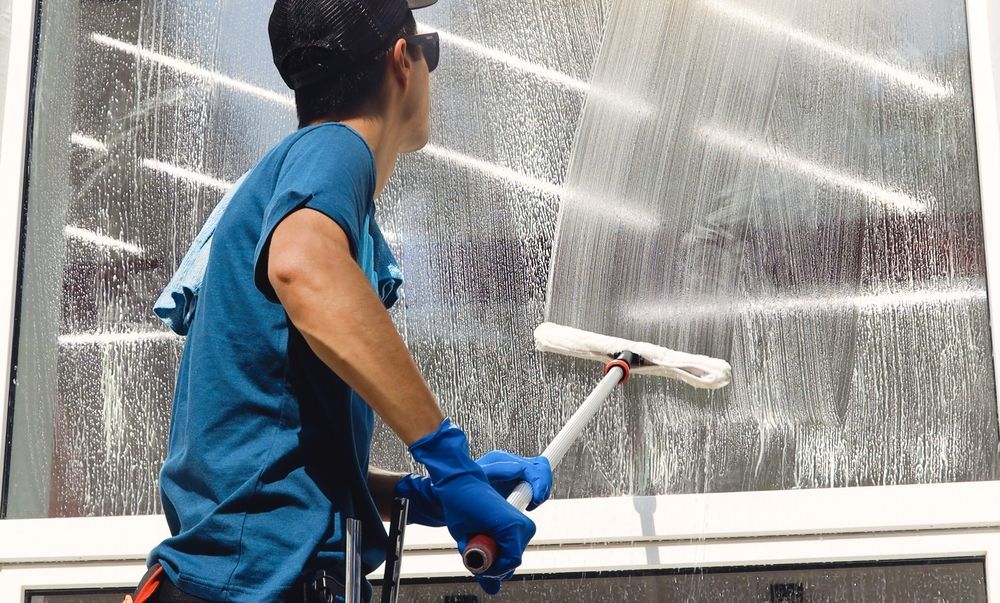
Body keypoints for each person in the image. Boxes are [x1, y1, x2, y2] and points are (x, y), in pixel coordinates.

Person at [126, 0, 553, 601]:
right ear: (402, 60)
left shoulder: (292, 178)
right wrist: (447, 458)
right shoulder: (333, 149)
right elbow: (302, 267)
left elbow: (271, 457)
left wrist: (412, 491)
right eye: (429, 48)